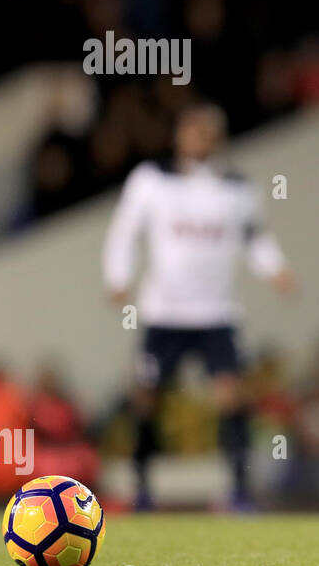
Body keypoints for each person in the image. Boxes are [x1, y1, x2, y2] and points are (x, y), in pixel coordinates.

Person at [102, 103, 296, 510]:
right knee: (146, 397)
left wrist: (276, 270)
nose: (200, 138)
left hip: (217, 313)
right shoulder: (152, 180)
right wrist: (117, 276)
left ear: (219, 137)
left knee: (231, 397)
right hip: (164, 313)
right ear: (179, 135)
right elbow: (125, 229)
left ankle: (239, 491)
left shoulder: (238, 187)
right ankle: (142, 488)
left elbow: (254, 237)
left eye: (208, 132)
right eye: (193, 130)